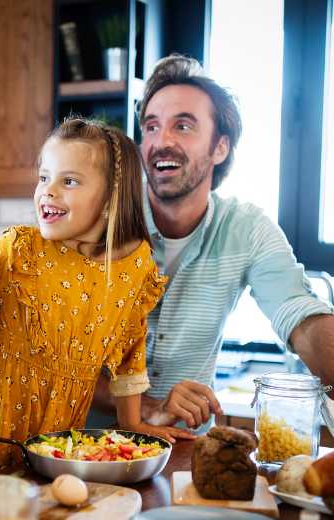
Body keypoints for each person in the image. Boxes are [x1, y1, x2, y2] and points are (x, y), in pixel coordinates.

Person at [0, 118, 194, 479]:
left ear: (109, 197)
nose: (47, 192)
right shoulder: (19, 250)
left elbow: (130, 358)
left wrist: (132, 427)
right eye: (43, 177)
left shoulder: (135, 270)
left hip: (62, 444)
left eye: (68, 181)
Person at [94, 55, 334, 432]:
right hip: (80, 451)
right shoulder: (102, 219)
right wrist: (148, 407)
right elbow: (55, 349)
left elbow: (300, 315)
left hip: (181, 463)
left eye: (183, 126)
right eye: (151, 127)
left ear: (220, 147)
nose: (162, 142)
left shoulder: (247, 228)